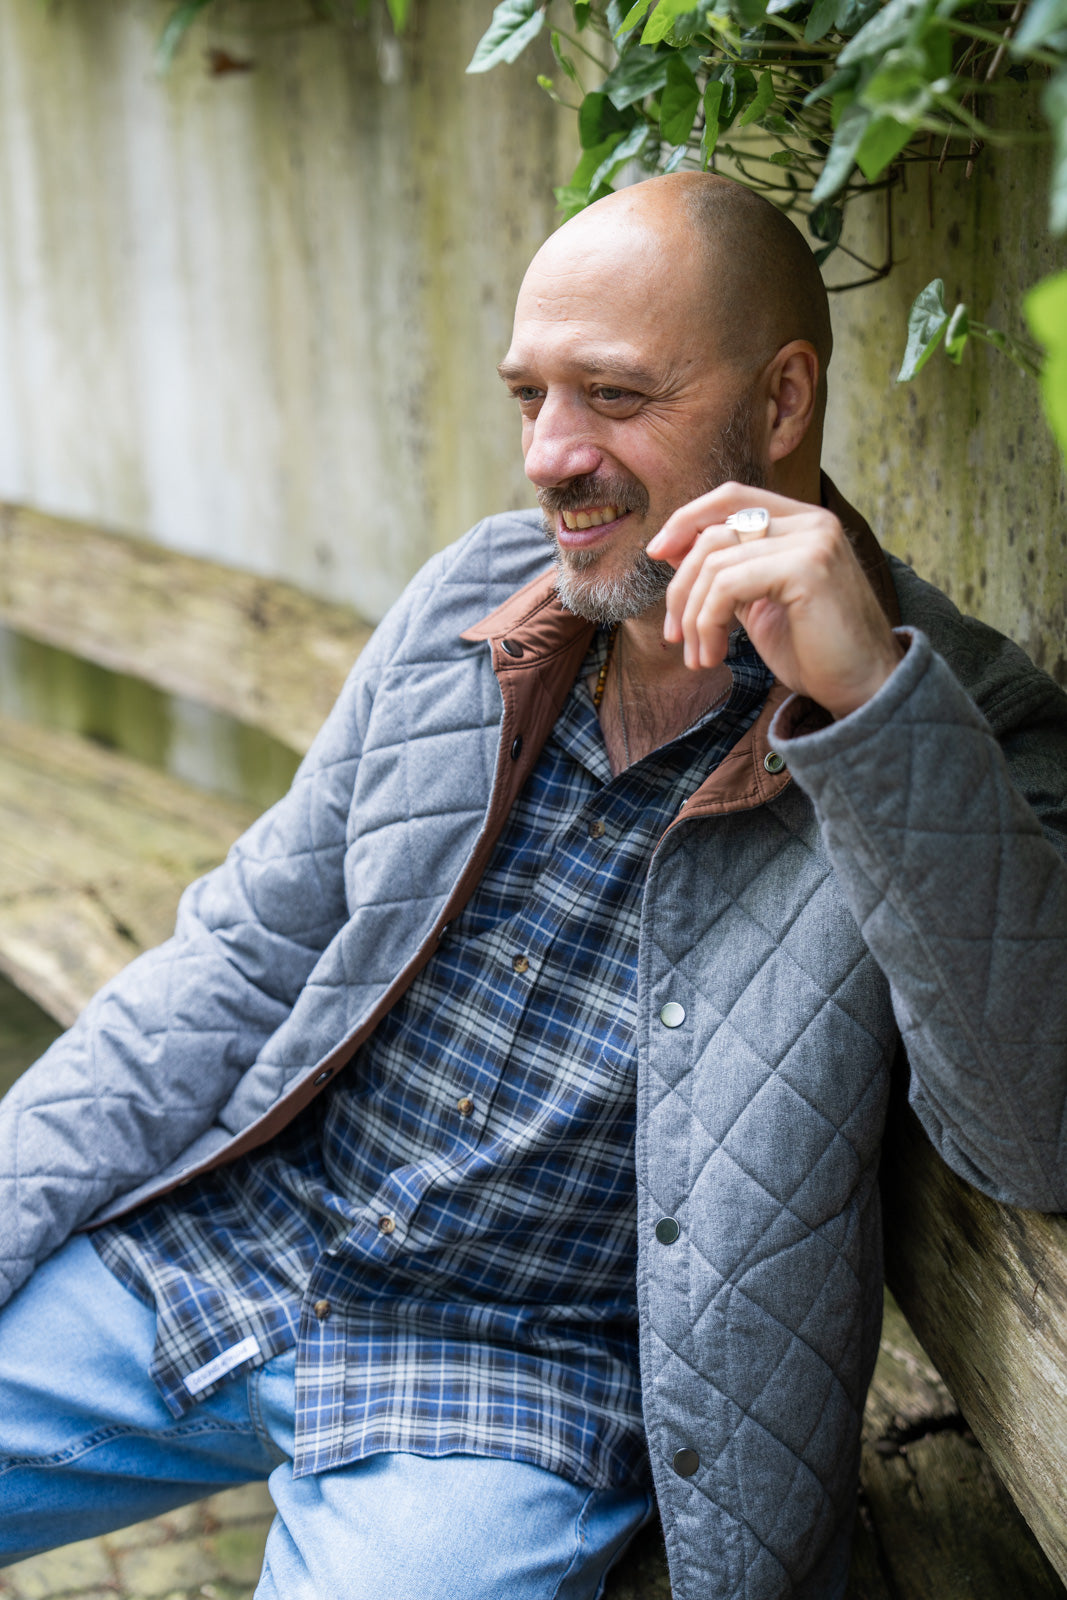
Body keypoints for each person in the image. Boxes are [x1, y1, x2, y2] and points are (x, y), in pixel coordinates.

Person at [1, 171, 1066, 1600]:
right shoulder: (474, 598)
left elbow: (1035, 1128)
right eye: (529, 398)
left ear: (784, 399)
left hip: (513, 1390)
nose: (552, 457)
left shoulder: (963, 724)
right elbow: (240, 959)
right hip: (247, 1250)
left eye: (615, 398)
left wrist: (868, 705)